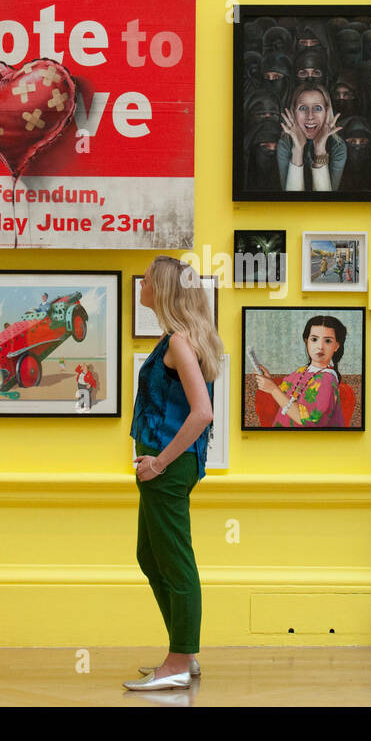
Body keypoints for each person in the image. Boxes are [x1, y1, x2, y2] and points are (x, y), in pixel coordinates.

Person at [124, 255, 223, 691]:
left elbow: (203, 413)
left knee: (176, 561)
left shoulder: (180, 342)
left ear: (161, 290)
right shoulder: (178, 338)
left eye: (145, 280)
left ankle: (180, 659)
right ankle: (184, 652)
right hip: (161, 464)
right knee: (152, 557)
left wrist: (159, 462)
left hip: (167, 465)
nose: (140, 284)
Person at [255, 315, 347, 428]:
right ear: (306, 341)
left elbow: (309, 421)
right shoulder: (302, 371)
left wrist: (273, 389)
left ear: (336, 346)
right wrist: (269, 380)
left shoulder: (327, 379)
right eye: (314, 339)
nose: (320, 347)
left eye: (327, 341)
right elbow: (284, 392)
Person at [278, 83, 346, 192]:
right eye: (303, 108)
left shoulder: (338, 146)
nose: (310, 116)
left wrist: (319, 150)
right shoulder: (285, 143)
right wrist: (297, 150)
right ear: (293, 111)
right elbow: (292, 202)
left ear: (327, 112)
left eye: (317, 108)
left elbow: (325, 204)